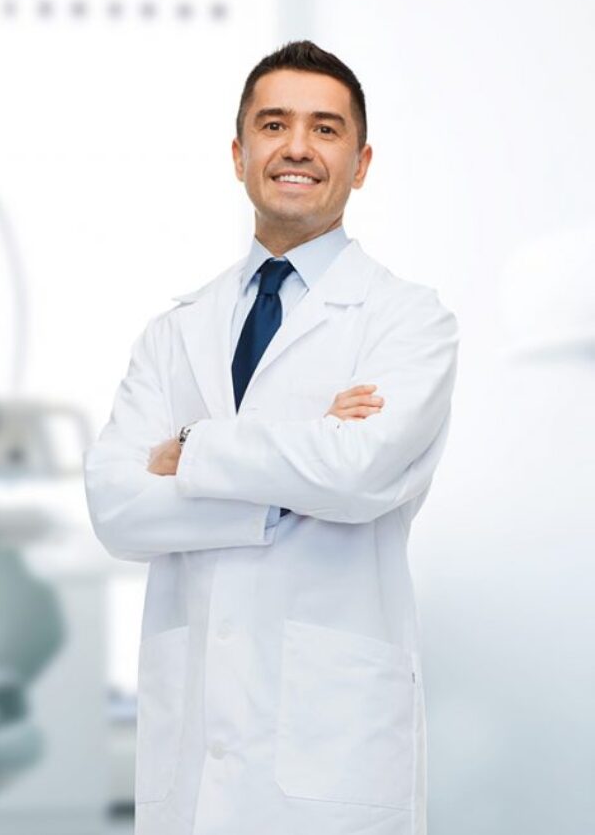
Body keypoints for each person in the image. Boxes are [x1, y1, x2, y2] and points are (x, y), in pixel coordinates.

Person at [83, 40, 458, 835]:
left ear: (360, 163)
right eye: (273, 124)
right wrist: (289, 481)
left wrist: (191, 450)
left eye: (325, 129)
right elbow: (116, 506)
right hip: (193, 754)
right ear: (239, 152)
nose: (296, 147)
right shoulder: (174, 330)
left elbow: (358, 471)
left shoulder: (408, 320)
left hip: (333, 752)